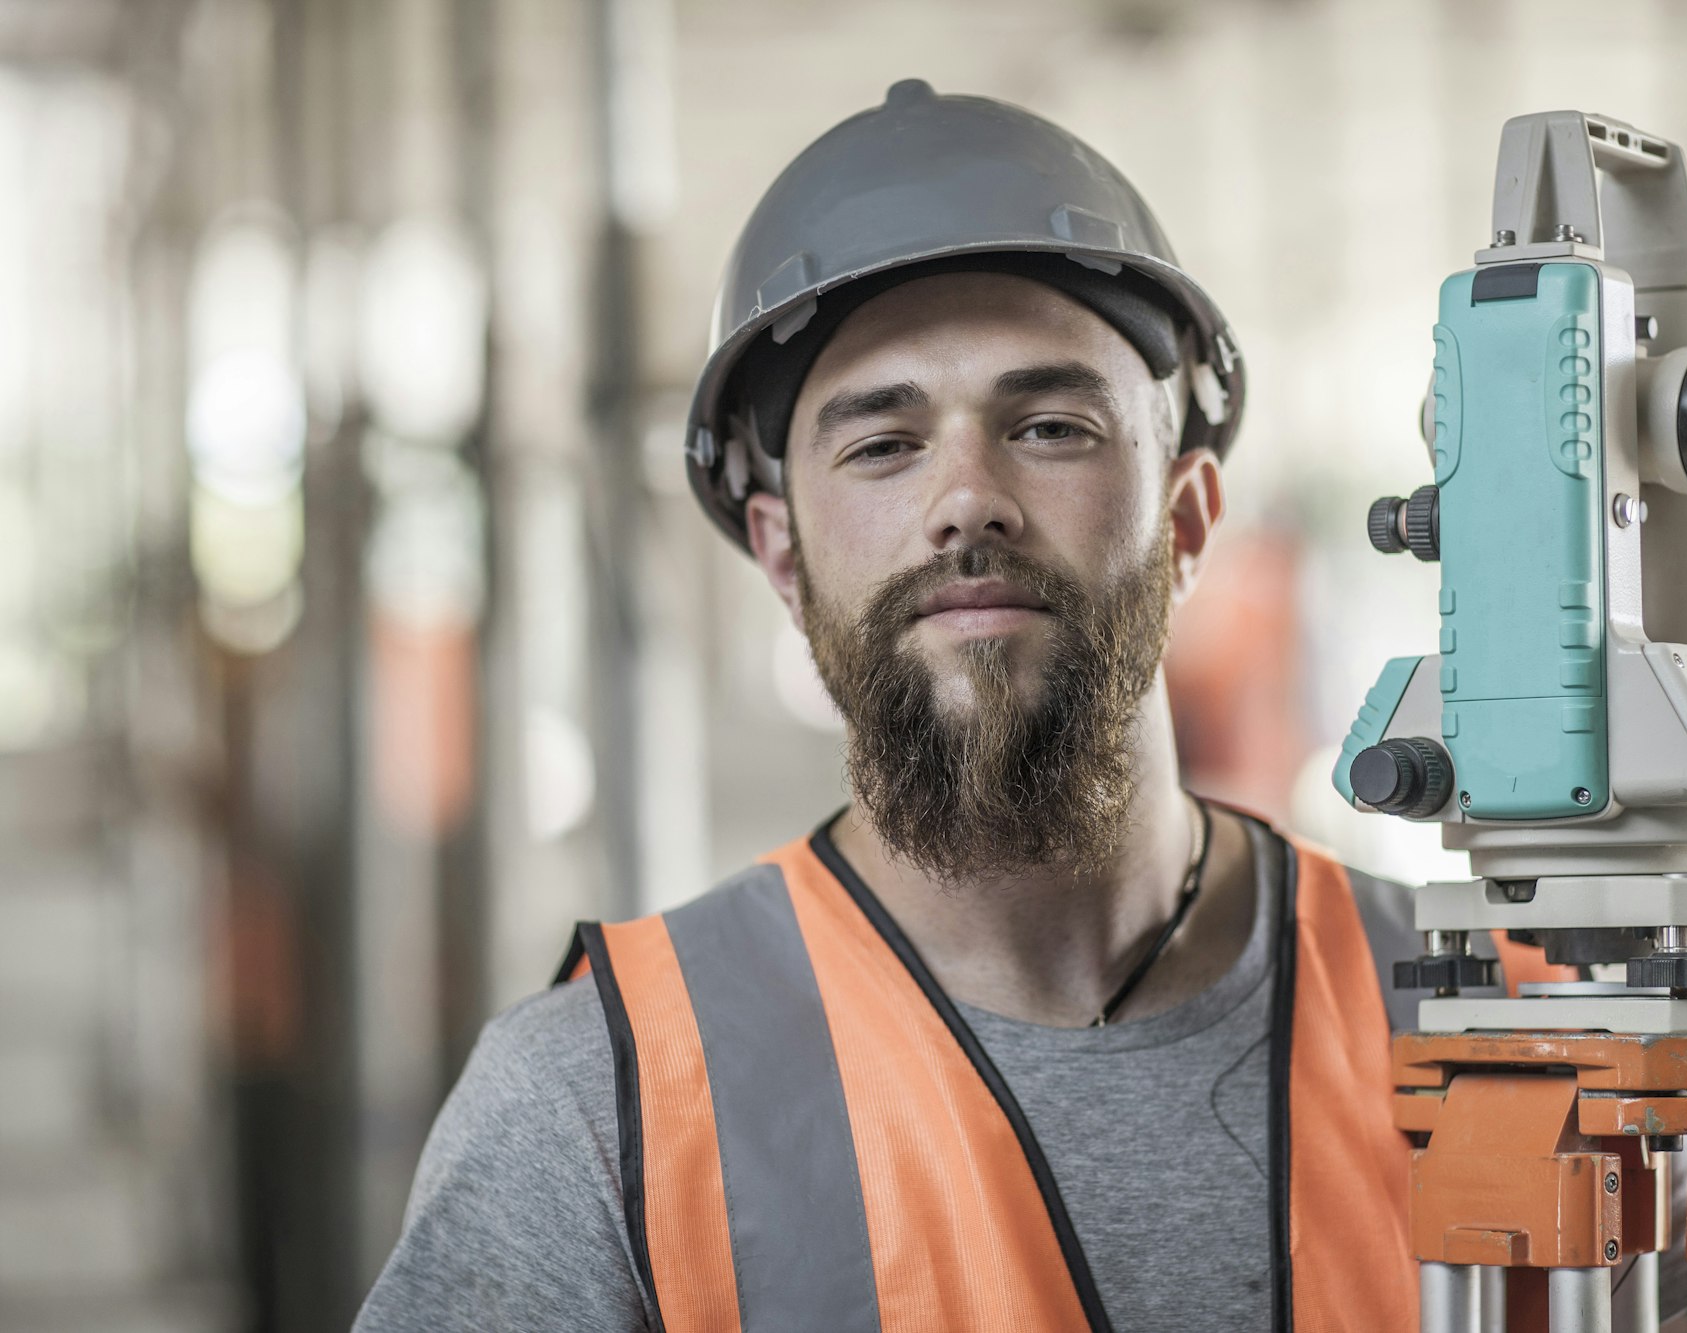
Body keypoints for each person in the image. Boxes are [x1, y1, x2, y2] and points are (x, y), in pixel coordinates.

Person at [354, 79, 1563, 1333]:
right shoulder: (600, 1111)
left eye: (1047, 426)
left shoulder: (1510, 1022)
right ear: (782, 556)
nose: (965, 499)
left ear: (1188, 519)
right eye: (882, 445)